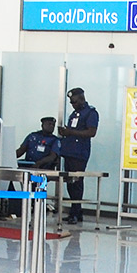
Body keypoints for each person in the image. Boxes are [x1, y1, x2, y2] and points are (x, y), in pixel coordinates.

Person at [57, 87, 99, 224]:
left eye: (74, 102)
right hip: (69, 151)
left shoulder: (91, 113)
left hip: (79, 153)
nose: (72, 105)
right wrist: (66, 132)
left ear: (81, 98)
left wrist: (71, 132)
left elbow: (91, 132)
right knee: (70, 182)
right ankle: (76, 211)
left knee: (77, 183)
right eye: (71, 102)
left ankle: (75, 212)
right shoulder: (75, 114)